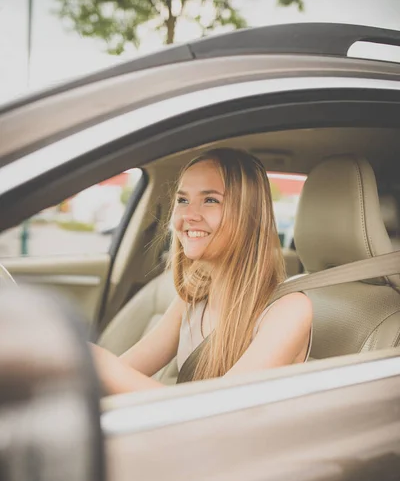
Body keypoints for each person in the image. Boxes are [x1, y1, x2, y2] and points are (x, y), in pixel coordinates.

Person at [92, 148, 313, 394]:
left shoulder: (289, 309)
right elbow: (126, 368)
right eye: (183, 200)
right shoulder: (192, 298)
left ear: (250, 216)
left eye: (210, 200)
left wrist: (105, 366)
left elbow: (221, 407)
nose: (189, 215)